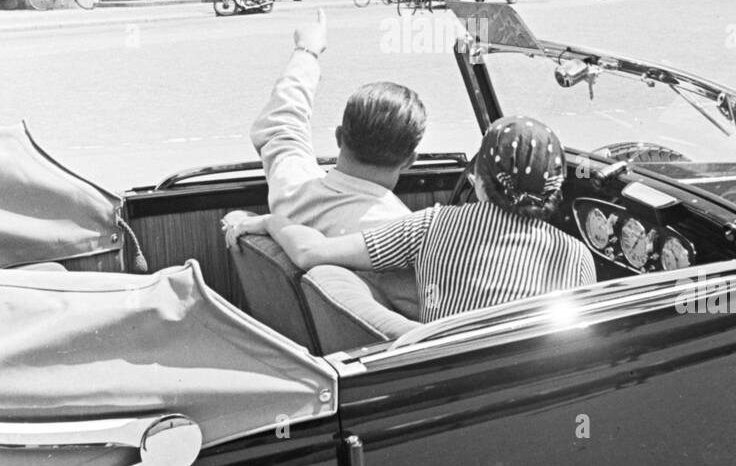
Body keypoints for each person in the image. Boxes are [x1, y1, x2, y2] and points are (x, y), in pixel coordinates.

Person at [230, 113, 595, 325]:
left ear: (479, 179)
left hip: (447, 386)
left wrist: (268, 223)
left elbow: (313, 253)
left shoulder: (431, 225)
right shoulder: (577, 256)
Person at [223, 10, 425, 319]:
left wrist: (307, 50)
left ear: (339, 137)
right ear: (410, 160)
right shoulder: (401, 235)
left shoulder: (292, 187)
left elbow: (280, 125)